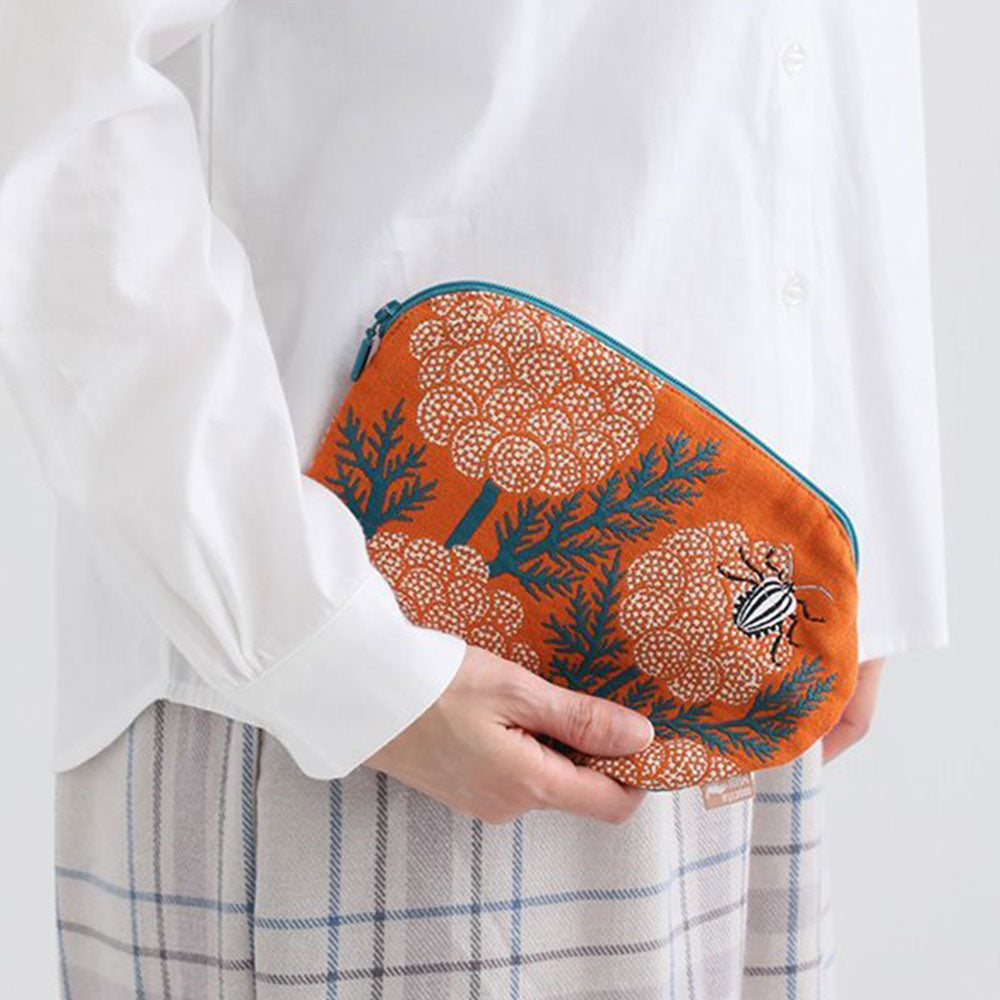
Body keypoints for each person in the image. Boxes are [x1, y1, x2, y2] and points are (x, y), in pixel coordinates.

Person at [0, 1, 947, 997]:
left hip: (734, 628)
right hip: (364, 681)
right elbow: (53, 76)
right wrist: (328, 650)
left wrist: (858, 508)